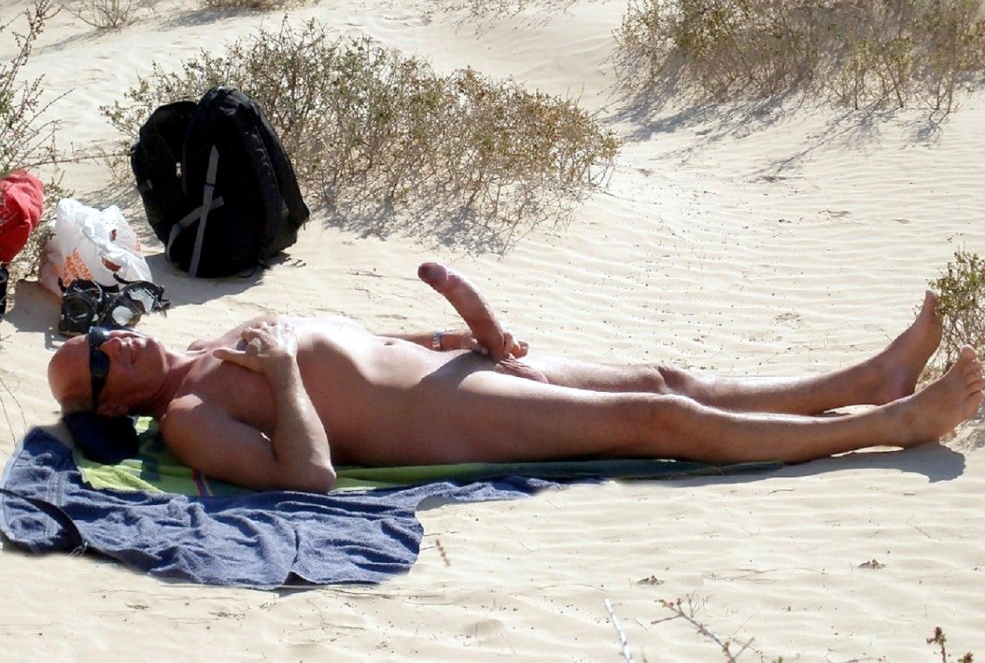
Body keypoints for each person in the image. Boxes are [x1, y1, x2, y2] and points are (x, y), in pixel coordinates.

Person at [48, 262, 984, 492]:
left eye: (93, 340)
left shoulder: (218, 342)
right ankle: (885, 425)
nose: (108, 349)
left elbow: (361, 343)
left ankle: (867, 374)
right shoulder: (190, 418)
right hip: (447, 426)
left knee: (664, 374)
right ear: (110, 402)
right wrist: (286, 374)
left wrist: (467, 331)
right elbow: (310, 476)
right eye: (92, 369)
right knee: (655, 418)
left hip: (452, 373)